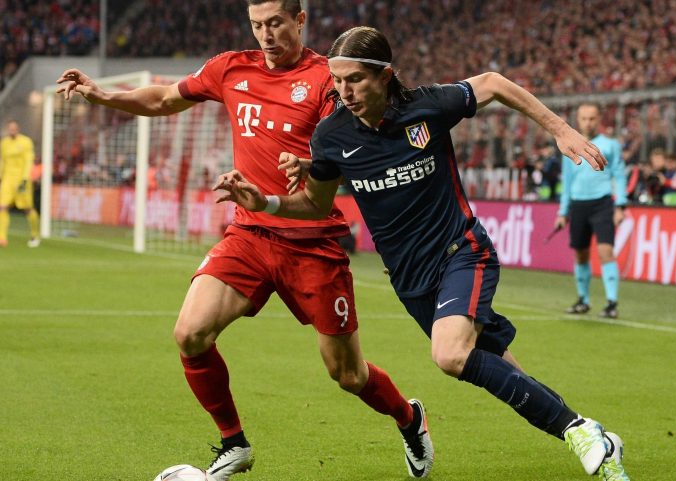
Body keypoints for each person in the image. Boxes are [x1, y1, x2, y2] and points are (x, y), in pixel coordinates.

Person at [215, 26, 630, 481]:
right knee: (506, 372)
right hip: (409, 279)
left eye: (354, 79)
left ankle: (580, 430)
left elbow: (492, 82)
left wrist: (560, 129)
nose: (343, 91)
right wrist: (266, 203)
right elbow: (315, 203)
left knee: (450, 355)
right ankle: (596, 440)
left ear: (386, 75)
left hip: (461, 252)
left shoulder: (427, 107)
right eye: (336, 80)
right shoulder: (331, 136)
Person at [55, 4, 431, 480]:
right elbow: (165, 99)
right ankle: (234, 444)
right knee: (190, 333)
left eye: (276, 23)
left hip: (311, 243)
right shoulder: (231, 68)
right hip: (249, 235)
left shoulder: (326, 79)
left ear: (300, 19)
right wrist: (103, 96)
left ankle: (409, 417)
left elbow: (356, 147)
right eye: (257, 24)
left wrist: (314, 170)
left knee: (348, 375)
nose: (266, 34)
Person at [553, 103, 626, 319]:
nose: (588, 122)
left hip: (602, 203)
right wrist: (563, 212)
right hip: (578, 204)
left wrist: (620, 205)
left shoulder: (610, 145)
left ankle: (611, 302)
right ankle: (583, 300)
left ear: (599, 119)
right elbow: (567, 181)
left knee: (605, 252)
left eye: (592, 118)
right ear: (578, 119)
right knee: (581, 254)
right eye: (584, 118)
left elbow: (619, 176)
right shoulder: (569, 145)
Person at [0, 120, 40, 248]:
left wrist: (24, 179)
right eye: (10, 129)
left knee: (28, 209)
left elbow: (29, 160)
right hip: (7, 180)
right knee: (2, 207)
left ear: (18, 129)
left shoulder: (25, 142)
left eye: (14, 128)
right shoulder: (4, 143)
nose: (12, 131)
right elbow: (2, 162)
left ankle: (35, 234)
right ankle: (2, 237)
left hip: (22, 181)